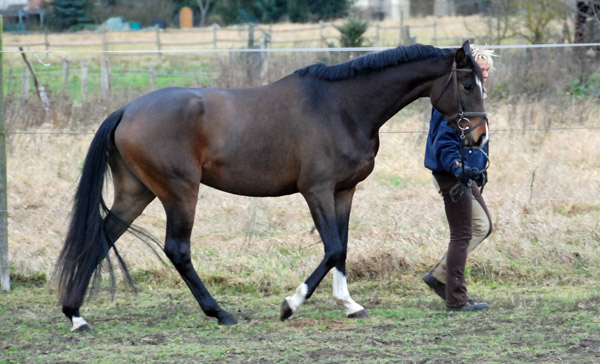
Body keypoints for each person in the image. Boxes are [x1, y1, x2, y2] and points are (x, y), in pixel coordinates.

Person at [422, 45, 495, 311]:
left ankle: (439, 277)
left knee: (483, 226)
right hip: (452, 174)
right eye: (480, 70)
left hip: (466, 174)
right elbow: (443, 143)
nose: (484, 75)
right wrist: (458, 168)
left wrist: (480, 168)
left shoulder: (473, 96)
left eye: (486, 70)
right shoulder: (453, 99)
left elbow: (475, 138)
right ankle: (456, 299)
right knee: (464, 232)